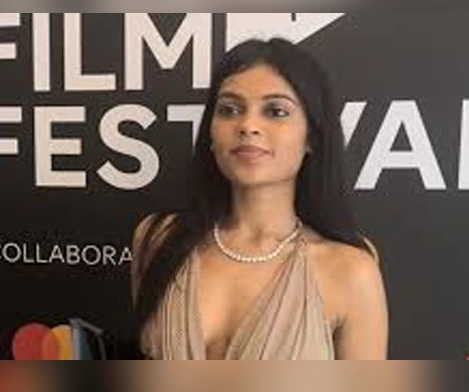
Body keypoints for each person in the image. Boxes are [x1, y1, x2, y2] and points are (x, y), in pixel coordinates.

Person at [129, 38, 388, 360]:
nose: (248, 125)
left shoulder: (350, 271)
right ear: (210, 133)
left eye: (276, 111)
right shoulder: (157, 238)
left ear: (311, 137)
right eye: (229, 110)